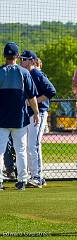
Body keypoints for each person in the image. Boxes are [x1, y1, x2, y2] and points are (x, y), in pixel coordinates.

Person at [0, 42, 39, 190]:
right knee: (21, 149)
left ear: (4, 56)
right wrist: (36, 113)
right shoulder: (24, 72)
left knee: (0, 150)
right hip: (19, 118)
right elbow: (32, 97)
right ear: (17, 56)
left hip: (1, 118)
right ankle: (22, 180)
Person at [20, 50, 56, 187]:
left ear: (31, 61)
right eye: (21, 59)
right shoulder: (25, 73)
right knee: (29, 145)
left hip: (39, 113)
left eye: (24, 59)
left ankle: (38, 177)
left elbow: (51, 91)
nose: (21, 61)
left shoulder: (36, 73)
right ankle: (34, 175)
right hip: (29, 113)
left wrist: (33, 102)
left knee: (33, 144)